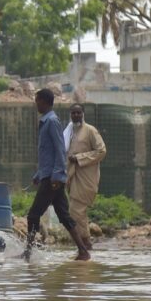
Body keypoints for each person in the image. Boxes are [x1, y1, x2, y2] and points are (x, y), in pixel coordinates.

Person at [23, 88, 91, 262]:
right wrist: (39, 173)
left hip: (53, 179)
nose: (36, 104)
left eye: (37, 101)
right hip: (50, 176)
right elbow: (49, 154)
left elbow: (60, 150)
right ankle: (83, 251)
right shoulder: (46, 122)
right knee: (64, 215)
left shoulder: (51, 121)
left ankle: (28, 252)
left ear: (44, 102)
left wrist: (57, 176)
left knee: (33, 215)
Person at [65, 104, 107, 249]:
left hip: (87, 177)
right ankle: (84, 245)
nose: (76, 115)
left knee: (76, 210)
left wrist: (80, 158)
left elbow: (101, 151)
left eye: (78, 113)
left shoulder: (90, 130)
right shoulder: (69, 132)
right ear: (70, 115)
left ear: (83, 114)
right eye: (73, 113)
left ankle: (85, 243)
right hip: (72, 176)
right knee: (77, 211)